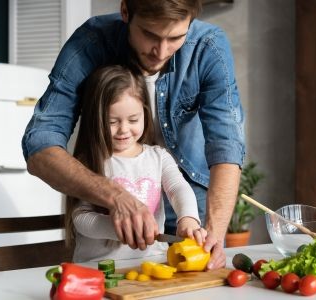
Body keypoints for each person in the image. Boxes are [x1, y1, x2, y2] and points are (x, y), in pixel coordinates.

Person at [22, 0, 245, 269]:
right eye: (150, 34)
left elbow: (226, 146)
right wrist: (116, 197)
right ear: (125, 11)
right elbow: (39, 143)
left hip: (189, 212)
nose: (161, 52)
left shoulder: (208, 47)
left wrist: (213, 234)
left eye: (176, 37)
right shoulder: (91, 43)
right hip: (106, 215)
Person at [66, 65, 206, 262]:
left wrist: (188, 218)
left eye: (133, 120)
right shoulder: (88, 162)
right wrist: (119, 228)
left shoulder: (158, 157)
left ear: (145, 114)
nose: (124, 129)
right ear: (95, 120)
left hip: (152, 260)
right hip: (98, 266)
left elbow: (178, 188)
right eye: (112, 122)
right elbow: (81, 218)